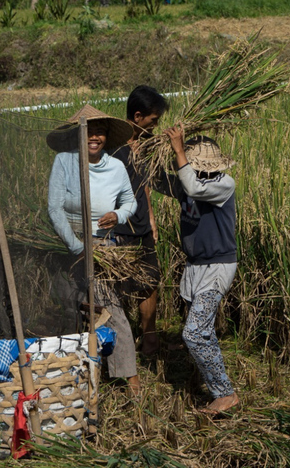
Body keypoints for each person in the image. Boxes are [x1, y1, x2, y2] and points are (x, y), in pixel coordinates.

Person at [47, 103, 141, 394]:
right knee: (72, 309)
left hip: (103, 246)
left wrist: (119, 215)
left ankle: (130, 379)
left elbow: (130, 201)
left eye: (100, 132)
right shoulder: (65, 161)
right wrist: (76, 247)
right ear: (78, 135)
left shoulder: (115, 167)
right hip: (69, 245)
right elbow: (54, 208)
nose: (95, 137)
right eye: (89, 131)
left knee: (110, 310)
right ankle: (73, 377)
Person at [158, 125, 239, 414]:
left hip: (218, 266)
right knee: (202, 331)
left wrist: (178, 149)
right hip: (194, 267)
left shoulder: (224, 184)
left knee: (193, 332)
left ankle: (224, 394)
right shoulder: (186, 182)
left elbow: (193, 187)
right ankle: (208, 375)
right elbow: (158, 181)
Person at [110, 85, 169, 357]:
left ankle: (150, 338)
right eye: (153, 121)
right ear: (137, 116)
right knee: (117, 285)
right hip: (118, 228)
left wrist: (152, 218)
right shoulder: (112, 148)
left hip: (142, 225)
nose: (155, 127)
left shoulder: (145, 146)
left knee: (149, 281)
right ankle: (120, 344)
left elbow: (144, 183)